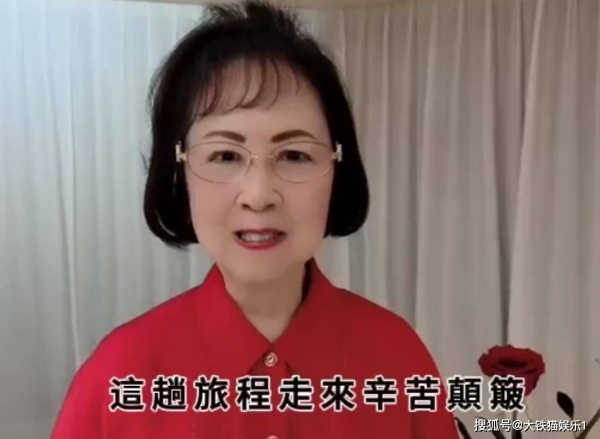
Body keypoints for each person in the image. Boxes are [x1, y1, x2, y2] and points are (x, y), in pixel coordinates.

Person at [51, 1, 460, 438]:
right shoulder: (118, 375)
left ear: (337, 168)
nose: (259, 195)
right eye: (225, 155)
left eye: (294, 155)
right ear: (179, 170)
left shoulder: (397, 359)